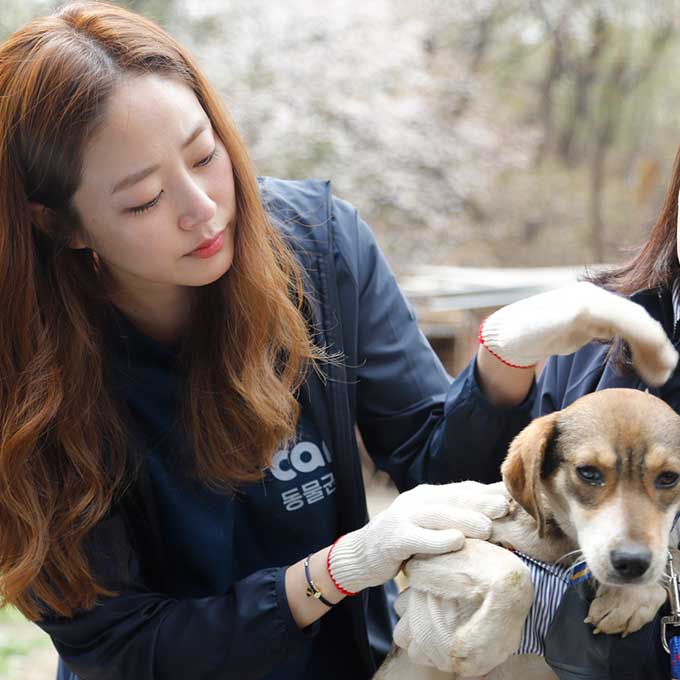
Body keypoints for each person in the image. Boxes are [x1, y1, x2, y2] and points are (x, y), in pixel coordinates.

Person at [0, 2, 535, 679]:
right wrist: (332, 574)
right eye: (142, 201)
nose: (202, 208)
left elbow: (441, 475)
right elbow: (123, 648)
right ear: (62, 226)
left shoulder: (318, 248)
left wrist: (502, 368)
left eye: (204, 154)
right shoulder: (26, 373)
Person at [395, 184, 680, 674]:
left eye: (667, 478)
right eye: (592, 474)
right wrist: (501, 365)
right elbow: (468, 491)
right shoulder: (598, 327)